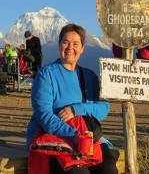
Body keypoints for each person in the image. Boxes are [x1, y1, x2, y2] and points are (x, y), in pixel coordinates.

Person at [27, 23, 117, 174]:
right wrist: (73, 135)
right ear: (59, 45)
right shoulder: (46, 75)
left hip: (85, 137)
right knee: (78, 172)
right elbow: (44, 115)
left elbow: (104, 108)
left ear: (82, 49)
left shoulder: (89, 76)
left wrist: (77, 109)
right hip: (56, 137)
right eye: (65, 42)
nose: (70, 47)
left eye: (75, 44)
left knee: (108, 168)